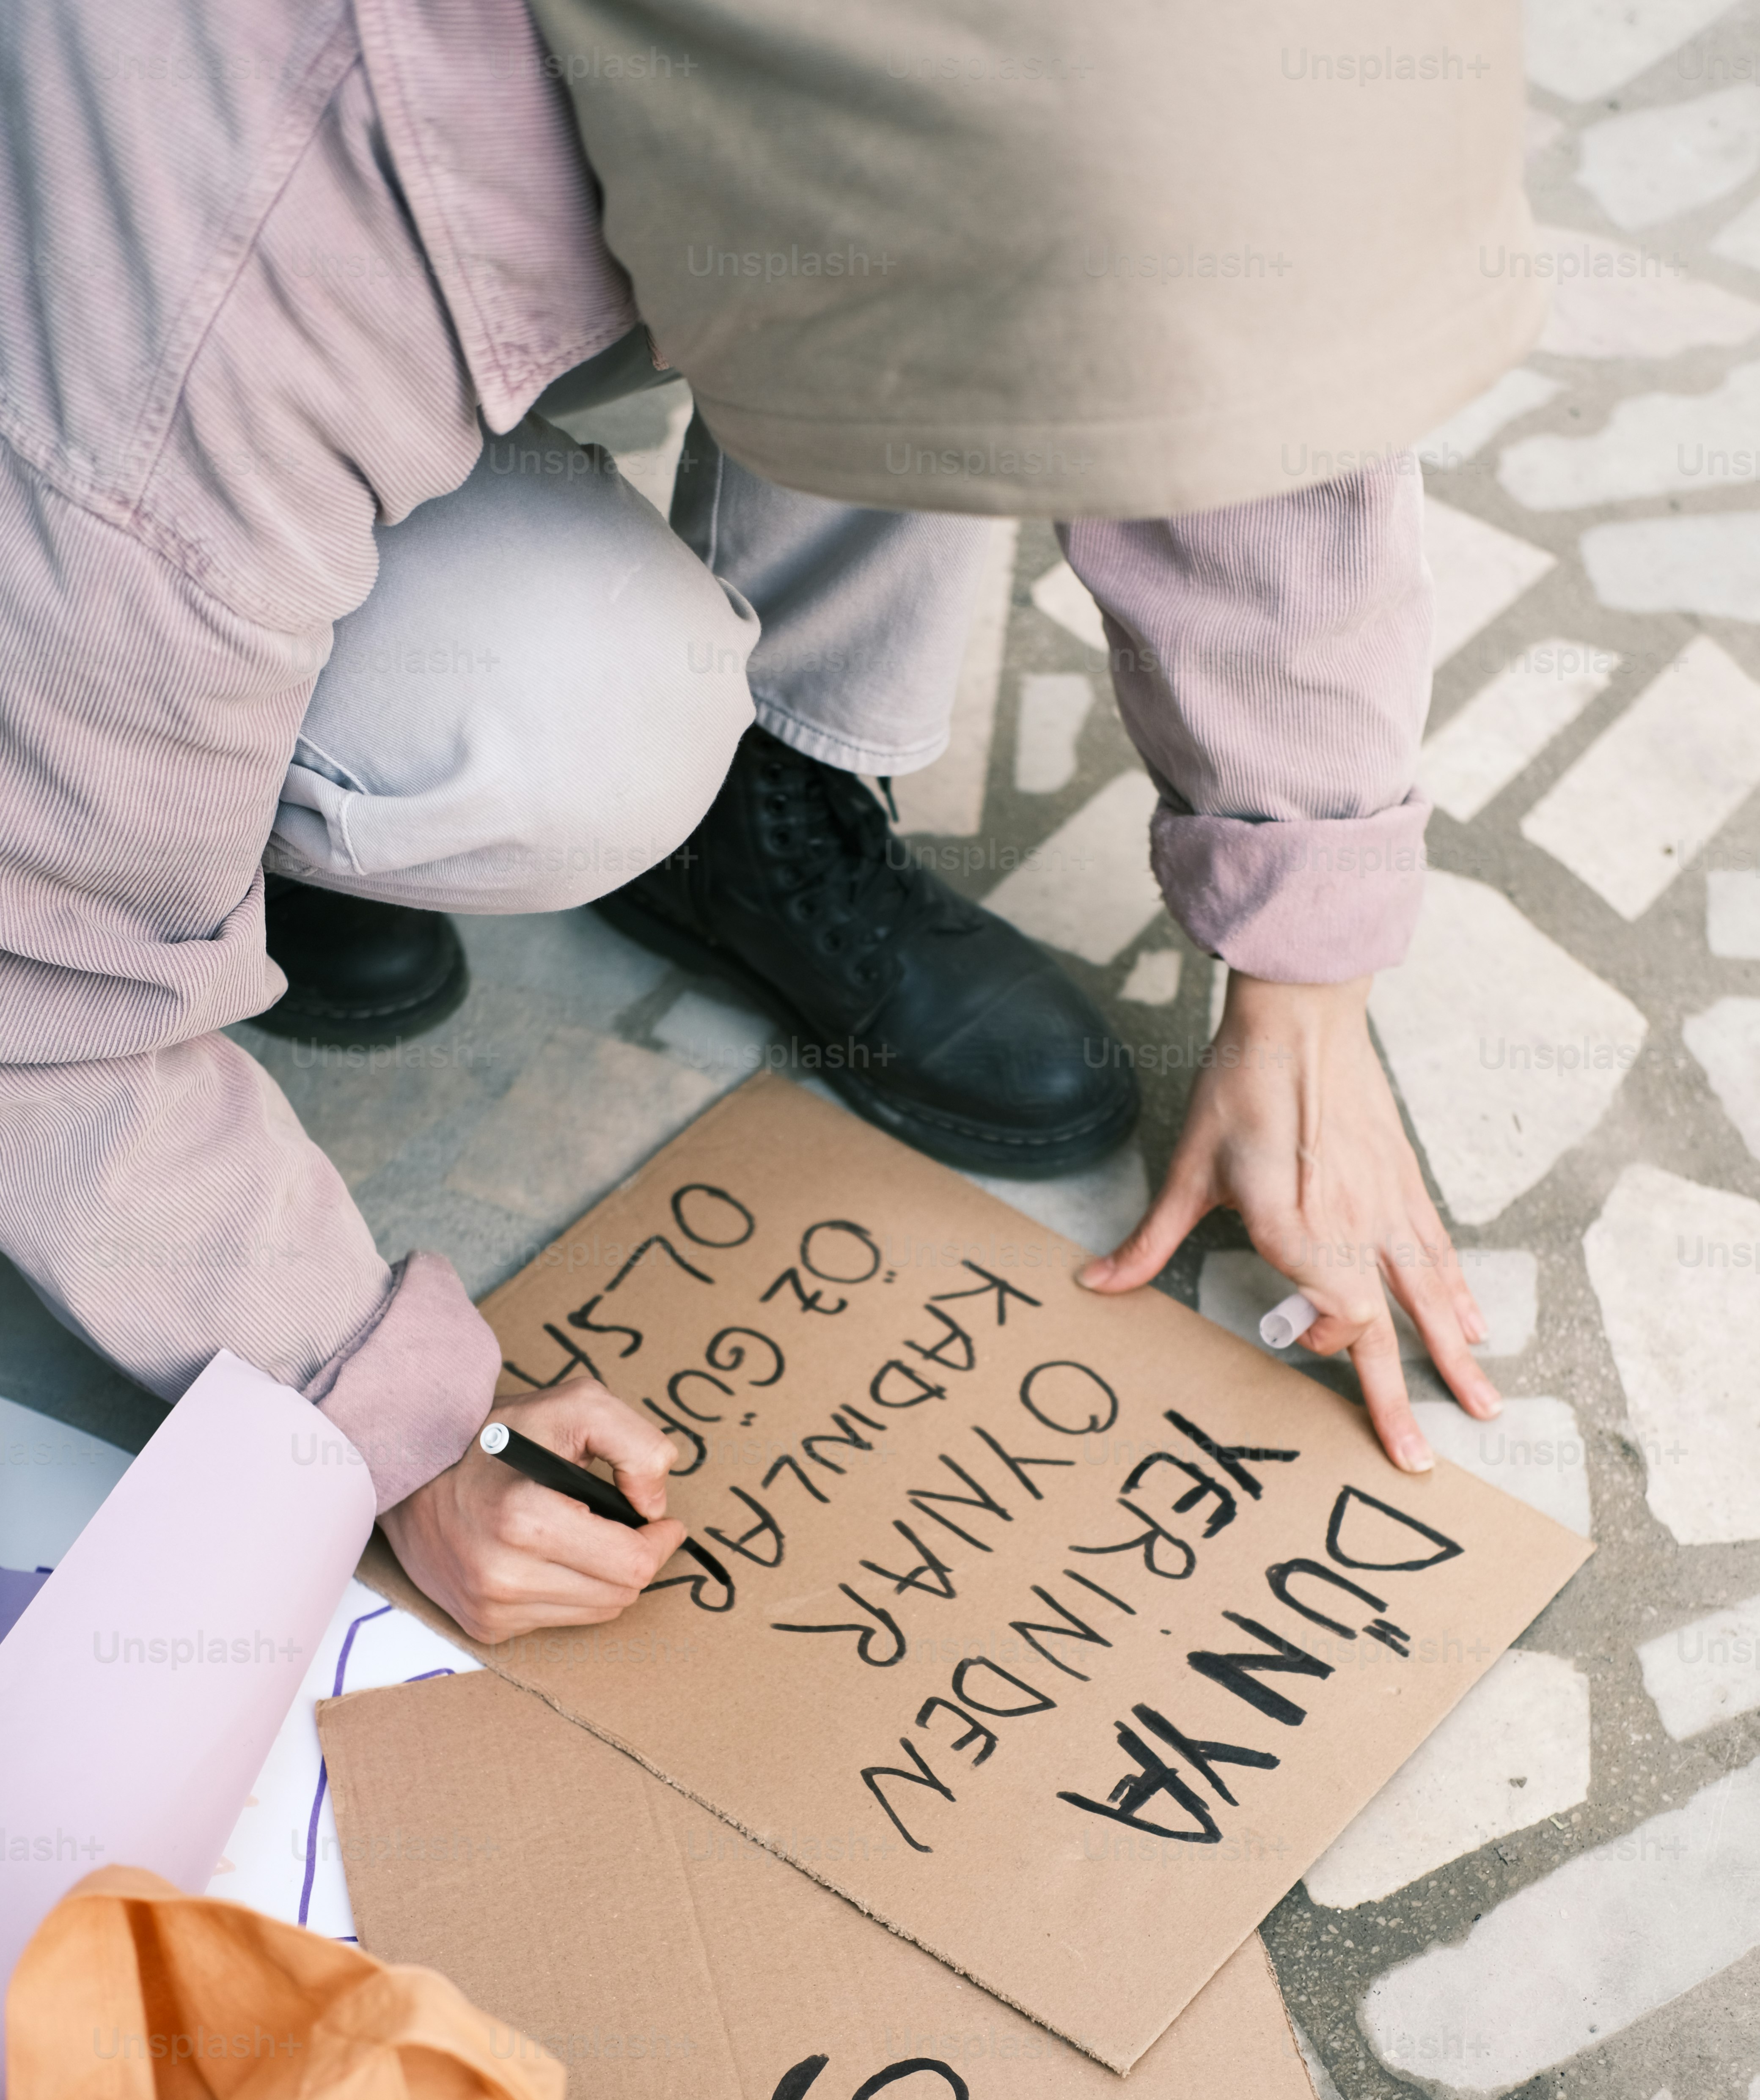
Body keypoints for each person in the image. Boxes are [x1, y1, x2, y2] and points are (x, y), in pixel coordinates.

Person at [0, 0, 1537, 1644]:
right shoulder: (211, 285)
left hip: (503, 216)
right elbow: (43, 983)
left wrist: (1301, 960)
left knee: (1013, 295)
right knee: (566, 717)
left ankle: (764, 779)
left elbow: (1239, 324)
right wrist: (380, 1430)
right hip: (128, 345)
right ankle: (240, 798)